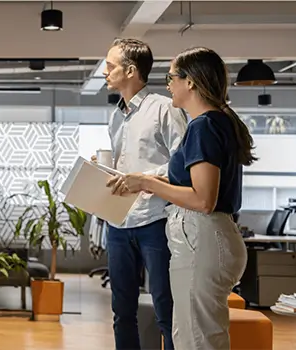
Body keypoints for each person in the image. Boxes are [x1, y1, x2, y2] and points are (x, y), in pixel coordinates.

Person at [111, 46, 252, 349]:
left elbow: (203, 199)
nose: (168, 85)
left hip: (202, 236)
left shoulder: (203, 125)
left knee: (195, 338)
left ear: (190, 82)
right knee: (196, 334)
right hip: (208, 236)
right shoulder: (215, 122)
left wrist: (148, 180)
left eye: (171, 77)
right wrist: (148, 182)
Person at [97, 38, 188, 350]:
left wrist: (143, 178)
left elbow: (182, 164)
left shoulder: (164, 109)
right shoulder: (116, 116)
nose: (105, 72)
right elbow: (125, 168)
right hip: (119, 222)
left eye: (110, 66)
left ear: (131, 70)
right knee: (122, 312)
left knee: (166, 309)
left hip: (155, 221)